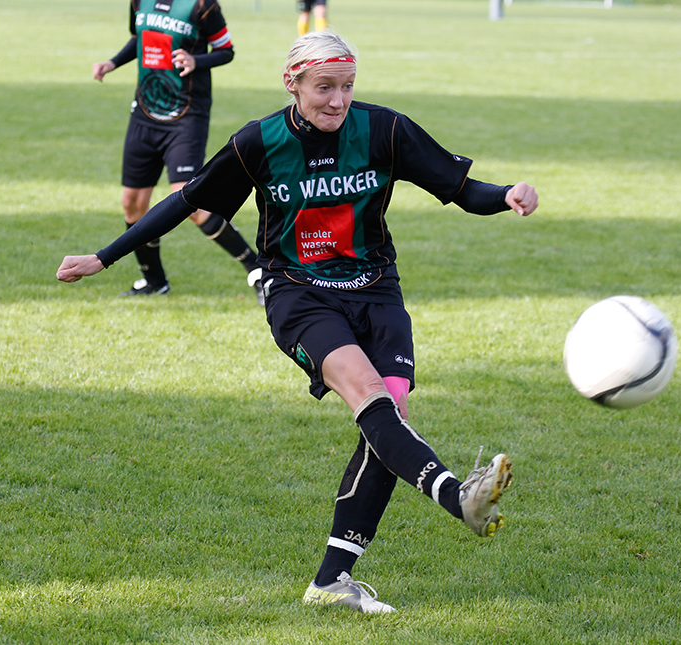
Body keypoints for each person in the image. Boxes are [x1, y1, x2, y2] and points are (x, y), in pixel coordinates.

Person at [57, 31, 539, 613]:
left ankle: (331, 582)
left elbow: (462, 189)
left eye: (347, 86)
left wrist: (506, 194)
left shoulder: (384, 130)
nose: (338, 100)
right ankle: (457, 496)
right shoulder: (259, 142)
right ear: (293, 83)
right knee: (368, 393)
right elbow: (186, 201)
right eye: (324, 87)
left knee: (388, 422)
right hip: (298, 294)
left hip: (377, 292)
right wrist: (104, 256)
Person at [93, 0, 263, 301]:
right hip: (145, 112)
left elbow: (226, 51)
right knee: (132, 203)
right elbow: (140, 38)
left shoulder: (203, 6)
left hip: (187, 116)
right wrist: (113, 62)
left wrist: (196, 60)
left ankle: (257, 269)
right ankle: (154, 281)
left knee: (190, 202)